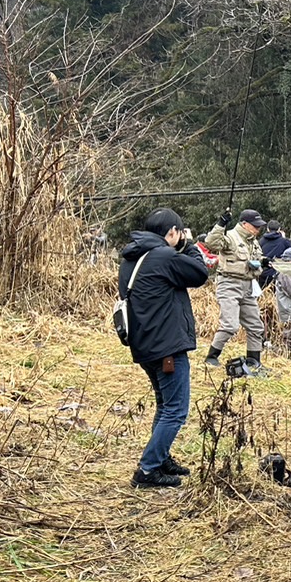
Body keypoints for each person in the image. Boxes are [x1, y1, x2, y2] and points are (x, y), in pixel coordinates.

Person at [118, 208, 211, 489]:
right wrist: (190, 245)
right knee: (176, 410)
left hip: (145, 343)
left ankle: (161, 458)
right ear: (172, 232)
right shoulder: (163, 256)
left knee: (164, 405)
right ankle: (148, 470)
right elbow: (199, 273)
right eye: (179, 233)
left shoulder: (132, 257)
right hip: (166, 346)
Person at [203, 208, 269, 374]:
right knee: (230, 325)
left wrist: (263, 262)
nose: (258, 229)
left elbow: (253, 259)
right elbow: (211, 243)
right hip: (229, 284)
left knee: (256, 326)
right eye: (255, 225)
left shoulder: (253, 241)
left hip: (247, 286)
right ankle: (211, 357)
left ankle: (253, 361)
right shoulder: (230, 236)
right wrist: (221, 224)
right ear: (244, 224)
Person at [259, 220, 291, 286]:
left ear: (267, 229)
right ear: (279, 229)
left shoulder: (261, 241)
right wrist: (284, 238)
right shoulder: (284, 241)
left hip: (262, 273)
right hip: (278, 274)